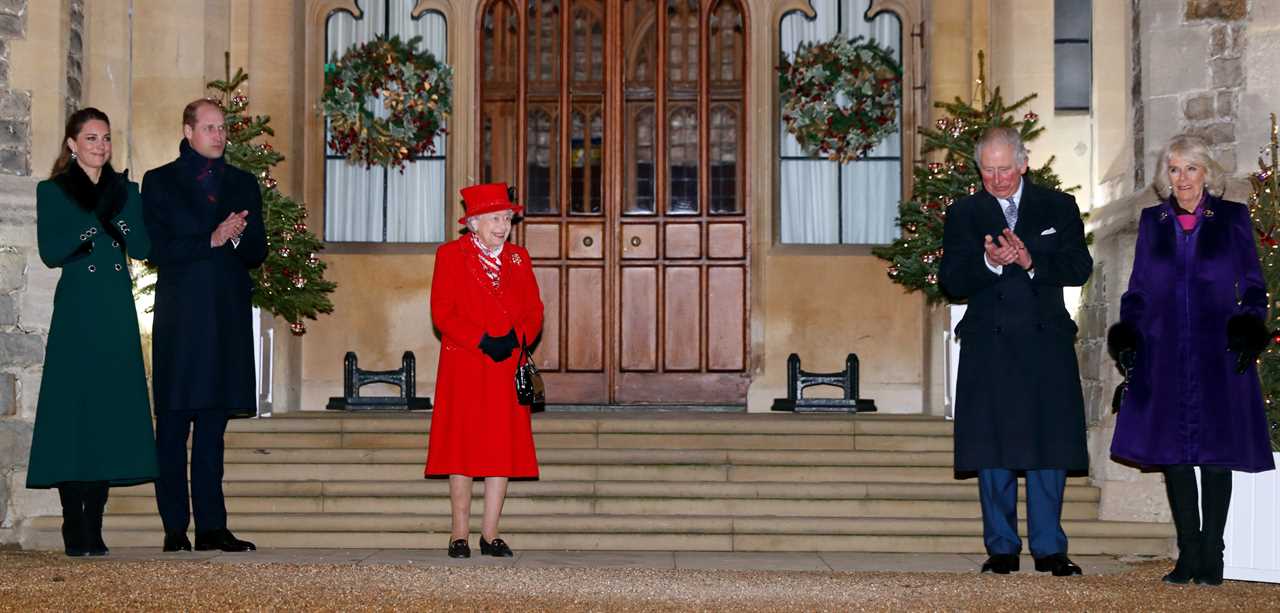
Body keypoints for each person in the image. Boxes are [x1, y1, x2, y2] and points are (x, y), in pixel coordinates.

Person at [1107, 134, 1276, 586]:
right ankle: (1188, 552)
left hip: (1218, 351)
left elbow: (1255, 286)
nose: (1182, 178)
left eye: (1191, 168)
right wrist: (1129, 338)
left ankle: (1214, 553)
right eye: (1175, 169)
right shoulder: (1152, 221)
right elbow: (1138, 288)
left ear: (1207, 173)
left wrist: (1248, 328)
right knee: (1175, 455)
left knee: (1217, 454)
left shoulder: (1233, 218)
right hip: (1163, 350)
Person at [939, 126, 1093, 576]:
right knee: (992, 448)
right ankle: (1002, 547)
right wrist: (989, 263)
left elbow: (1079, 267)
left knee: (1049, 447)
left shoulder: (1058, 206)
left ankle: (1050, 547)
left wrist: (1030, 263)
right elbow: (952, 278)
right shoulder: (964, 213)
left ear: (1024, 164)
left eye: (1005, 169)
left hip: (1045, 343)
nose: (997, 179)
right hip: (990, 344)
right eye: (988, 170)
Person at [26, 108, 157, 557]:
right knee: (73, 414)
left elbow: (141, 247)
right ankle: (72, 519)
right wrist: (91, 224)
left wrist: (118, 222)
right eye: (91, 138)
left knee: (107, 414)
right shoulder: (53, 190)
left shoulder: (127, 192)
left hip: (116, 311)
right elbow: (51, 251)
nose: (100, 145)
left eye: (105, 138)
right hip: (78, 310)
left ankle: (95, 523)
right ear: (72, 144)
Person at [142, 98, 266, 553]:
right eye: (210, 127)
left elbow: (257, 251)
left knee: (213, 429)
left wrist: (235, 237)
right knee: (173, 427)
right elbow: (154, 249)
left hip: (225, 317)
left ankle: (213, 526)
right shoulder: (159, 182)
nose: (219, 135)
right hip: (181, 318)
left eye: (222, 128)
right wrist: (209, 237)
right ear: (188, 130)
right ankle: (175, 527)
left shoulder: (241, 183)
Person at [425, 183, 544, 559]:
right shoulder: (450, 255)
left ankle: (490, 534)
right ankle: (458, 533)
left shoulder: (518, 258)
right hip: (465, 364)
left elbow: (535, 309)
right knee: (461, 448)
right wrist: (481, 340)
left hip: (505, 366)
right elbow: (442, 311)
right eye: (495, 218)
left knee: (500, 448)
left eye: (507, 218)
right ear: (473, 222)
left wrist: (516, 337)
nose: (503, 225)